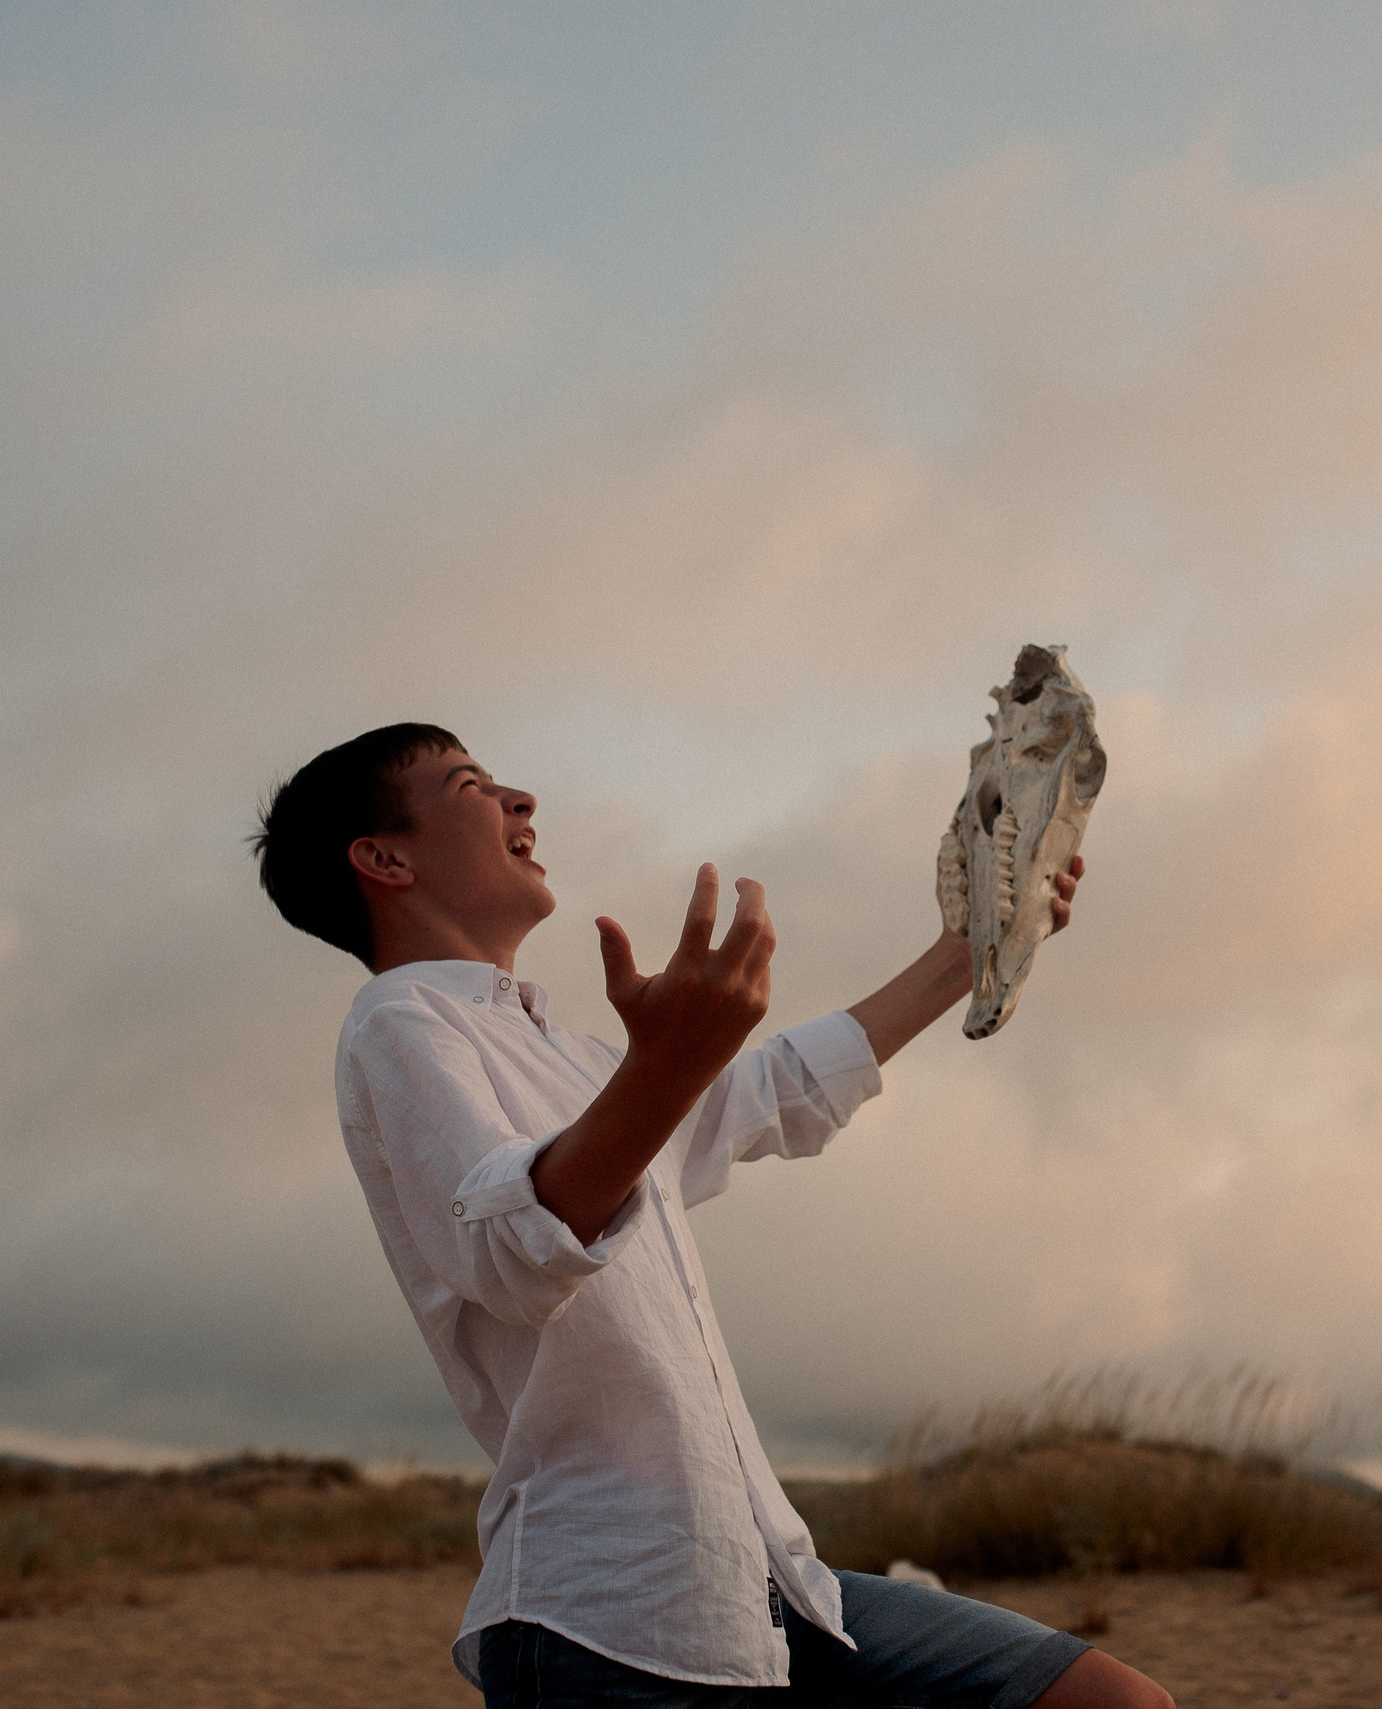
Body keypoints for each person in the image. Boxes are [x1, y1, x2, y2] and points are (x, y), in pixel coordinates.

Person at [253, 722, 1167, 1709]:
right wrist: (664, 1066)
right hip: (603, 1621)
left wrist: (972, 947)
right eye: (471, 783)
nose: (519, 799)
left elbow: (769, 1093)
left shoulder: (573, 1057)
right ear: (385, 859)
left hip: (766, 1581)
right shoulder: (400, 1019)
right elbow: (513, 1248)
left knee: (1111, 1699)